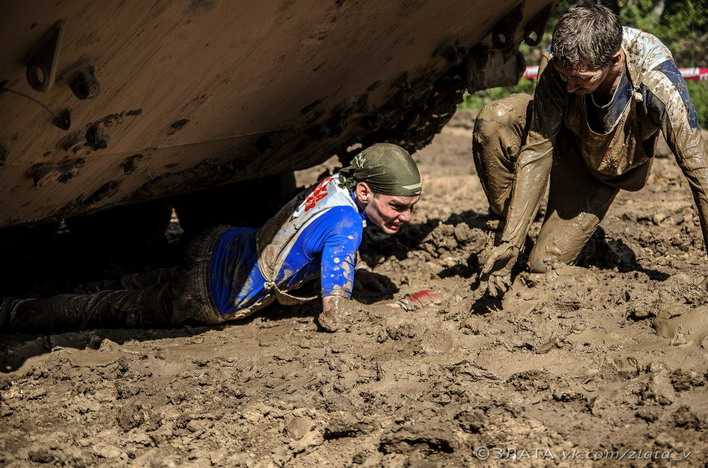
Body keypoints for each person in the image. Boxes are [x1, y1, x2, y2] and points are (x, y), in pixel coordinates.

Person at [0, 143, 422, 333]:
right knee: (104, 308)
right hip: (213, 293)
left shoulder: (333, 185)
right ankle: (16, 314)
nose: (404, 217)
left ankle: (54, 290)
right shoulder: (348, 229)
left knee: (128, 284)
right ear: (364, 191)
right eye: (397, 206)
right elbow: (335, 309)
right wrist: (385, 316)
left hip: (220, 244)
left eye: (410, 208)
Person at [473, 2, 707, 297]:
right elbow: (536, 152)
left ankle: (582, 239)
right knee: (496, 121)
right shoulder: (563, 66)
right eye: (565, 76)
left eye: (582, 80)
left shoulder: (658, 81)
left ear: (616, 60)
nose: (570, 87)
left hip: (601, 170)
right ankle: (507, 229)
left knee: (543, 265)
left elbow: (701, 176)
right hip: (566, 139)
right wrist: (510, 244)